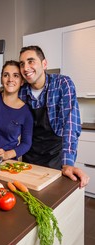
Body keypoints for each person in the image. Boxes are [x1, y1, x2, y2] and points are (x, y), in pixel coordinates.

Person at [18, 45, 89, 188]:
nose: (25, 68)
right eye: (22, 64)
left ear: (44, 64)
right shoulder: (21, 91)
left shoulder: (62, 84)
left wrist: (68, 163)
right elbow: (2, 111)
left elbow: (70, 123)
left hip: (55, 155)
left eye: (31, 61)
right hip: (30, 155)